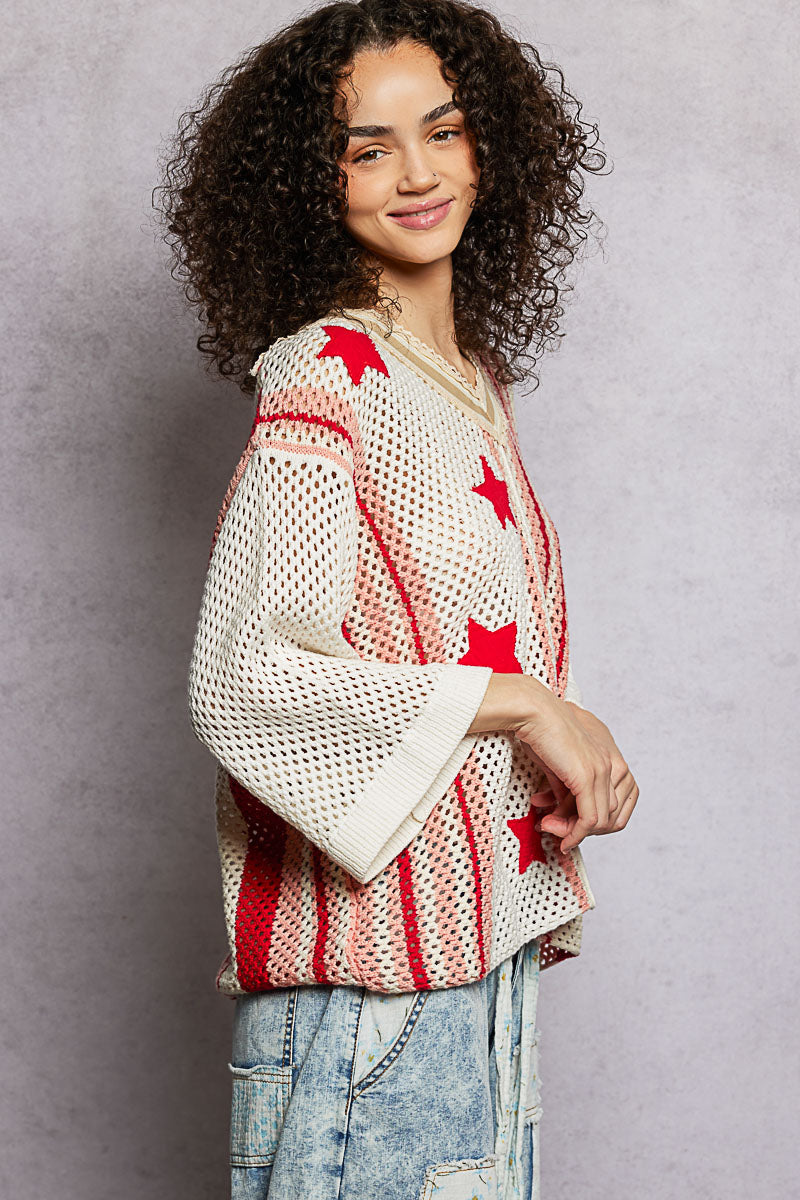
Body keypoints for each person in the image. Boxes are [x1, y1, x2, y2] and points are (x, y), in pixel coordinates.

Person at [155, 2, 639, 1196]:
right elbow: (247, 674)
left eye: (444, 131)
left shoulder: (467, 385)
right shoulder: (327, 371)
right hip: (368, 1006)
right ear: (306, 185)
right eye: (367, 149)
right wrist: (526, 705)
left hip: (478, 975)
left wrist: (567, 745)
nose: (418, 174)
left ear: (491, 148)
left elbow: (451, 646)